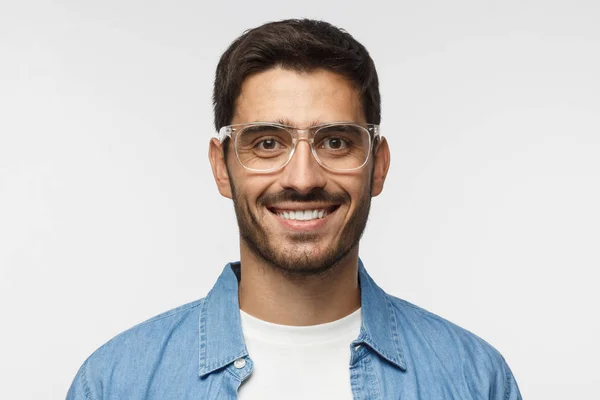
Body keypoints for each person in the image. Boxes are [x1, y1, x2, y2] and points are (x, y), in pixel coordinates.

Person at [67, 19, 521, 399]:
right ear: (221, 168)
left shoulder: (474, 380)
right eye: (267, 143)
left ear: (377, 166)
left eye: (336, 142)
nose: (302, 179)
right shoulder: (116, 383)